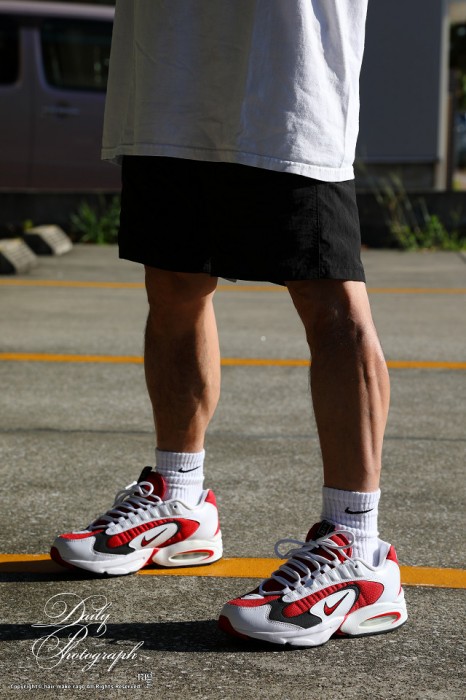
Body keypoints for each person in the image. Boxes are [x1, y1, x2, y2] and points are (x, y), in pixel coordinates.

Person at [51, 0, 407, 646]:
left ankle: (358, 547)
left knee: (329, 296)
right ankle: (179, 499)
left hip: (287, 63)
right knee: (174, 281)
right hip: (166, 62)